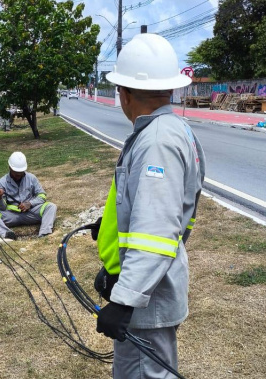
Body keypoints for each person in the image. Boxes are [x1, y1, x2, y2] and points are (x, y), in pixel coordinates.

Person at [93, 33, 206, 378]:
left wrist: (124, 299)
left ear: (124, 94)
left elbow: (155, 232)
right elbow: (155, 210)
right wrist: (111, 238)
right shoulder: (172, 130)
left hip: (146, 302)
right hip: (150, 292)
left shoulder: (156, 142)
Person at [0, 152, 57, 240]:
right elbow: (1, 208)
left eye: (20, 173)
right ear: (10, 167)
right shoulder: (2, 182)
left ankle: (44, 234)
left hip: (31, 213)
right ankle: (6, 233)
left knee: (51, 206)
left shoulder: (31, 178)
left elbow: (42, 196)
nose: (18, 175)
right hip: (12, 215)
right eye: (16, 173)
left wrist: (29, 204)